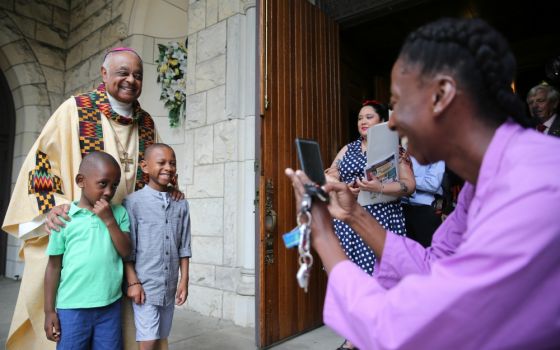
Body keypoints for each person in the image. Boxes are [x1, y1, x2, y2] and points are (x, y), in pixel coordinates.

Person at [286, 17, 560, 349]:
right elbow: (432, 265)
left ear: (441, 94)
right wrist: (353, 215)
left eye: (398, 102)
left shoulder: (534, 185)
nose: (393, 121)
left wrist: (322, 234)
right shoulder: (478, 185)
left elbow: (408, 329)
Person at [2, 47, 177, 350]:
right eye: (123, 72)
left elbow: (159, 167)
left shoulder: (147, 123)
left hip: (126, 232)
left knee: (123, 327)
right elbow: (41, 162)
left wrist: (171, 187)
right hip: (79, 233)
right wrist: (53, 205)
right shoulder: (76, 109)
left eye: (138, 75)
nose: (130, 80)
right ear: (104, 74)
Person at [325, 100, 415, 350]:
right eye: (359, 118)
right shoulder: (348, 149)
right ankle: (361, 334)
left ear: (381, 121)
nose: (362, 122)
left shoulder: (394, 149)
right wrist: (342, 185)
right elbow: (332, 173)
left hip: (383, 219)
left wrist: (381, 187)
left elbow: (409, 185)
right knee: (354, 280)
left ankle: (358, 339)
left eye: (369, 117)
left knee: (378, 278)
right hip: (350, 221)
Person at [44, 151, 131, 348]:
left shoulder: (119, 213)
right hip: (72, 308)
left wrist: (109, 221)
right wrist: (49, 311)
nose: (109, 191)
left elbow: (126, 251)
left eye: (114, 185)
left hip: (110, 306)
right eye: (103, 184)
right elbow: (53, 267)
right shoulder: (64, 218)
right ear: (81, 181)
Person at [123, 143, 191, 350]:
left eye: (172, 163)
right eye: (161, 163)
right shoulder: (133, 203)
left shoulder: (181, 203)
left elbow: (184, 245)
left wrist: (184, 280)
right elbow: (127, 250)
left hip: (169, 285)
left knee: (161, 335)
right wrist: (133, 282)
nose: (168, 168)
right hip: (146, 285)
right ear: (144, 166)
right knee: (148, 339)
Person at [401, 156, 445, 247]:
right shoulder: (401, 149)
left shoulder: (434, 152)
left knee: (427, 250)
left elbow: (433, 183)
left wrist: (406, 181)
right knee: (406, 252)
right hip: (401, 207)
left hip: (425, 209)